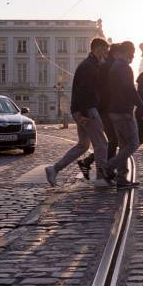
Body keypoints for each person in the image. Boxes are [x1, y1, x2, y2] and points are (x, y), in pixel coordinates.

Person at [45, 38, 112, 187]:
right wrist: (84, 114)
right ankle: (101, 177)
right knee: (101, 144)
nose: (106, 53)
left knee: (83, 145)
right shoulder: (88, 66)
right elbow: (84, 91)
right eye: (105, 49)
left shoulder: (91, 65)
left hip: (81, 109)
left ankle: (54, 169)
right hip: (87, 109)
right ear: (98, 48)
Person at [105, 41, 143, 188]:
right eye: (132, 52)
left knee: (124, 146)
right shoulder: (125, 68)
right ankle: (109, 166)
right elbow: (130, 91)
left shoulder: (114, 67)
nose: (134, 55)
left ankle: (121, 178)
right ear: (125, 52)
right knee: (133, 143)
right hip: (123, 111)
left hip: (114, 111)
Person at [77, 44, 119, 179]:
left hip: (103, 107)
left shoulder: (104, 64)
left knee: (108, 142)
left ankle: (91, 163)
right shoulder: (107, 66)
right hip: (103, 108)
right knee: (110, 141)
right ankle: (105, 170)